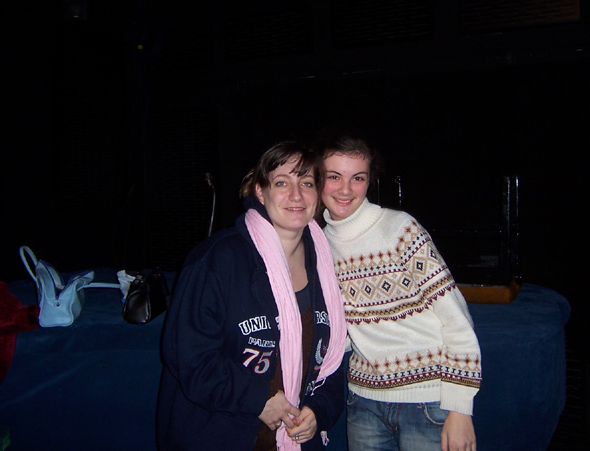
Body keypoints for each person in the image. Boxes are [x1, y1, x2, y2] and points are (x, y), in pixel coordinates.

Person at [156, 140, 347, 451]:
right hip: (220, 436)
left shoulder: (326, 265)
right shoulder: (216, 260)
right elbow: (190, 360)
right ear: (260, 191)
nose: (296, 195)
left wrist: (318, 410)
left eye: (307, 183)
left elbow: (332, 359)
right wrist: (259, 399)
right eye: (282, 183)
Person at [316, 135, 482, 451]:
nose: (346, 189)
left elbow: (457, 319)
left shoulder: (399, 228)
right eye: (334, 177)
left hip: (428, 402)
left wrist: (461, 408)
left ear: (369, 181)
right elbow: (347, 327)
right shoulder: (320, 244)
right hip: (363, 401)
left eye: (358, 178)